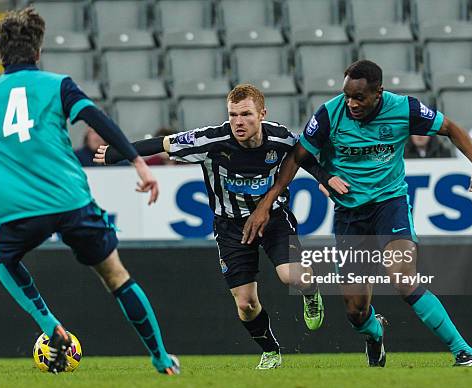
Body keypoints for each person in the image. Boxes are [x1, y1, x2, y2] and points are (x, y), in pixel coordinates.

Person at [0, 8, 179, 375]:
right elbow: (97, 120)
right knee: (115, 275)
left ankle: (49, 325)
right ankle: (161, 359)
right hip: (69, 199)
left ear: (0, 54)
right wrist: (139, 163)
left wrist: (2, 153)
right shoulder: (57, 85)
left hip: (18, 208)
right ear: (38, 51)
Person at [242, 60, 472, 367]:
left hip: (390, 205)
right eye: (347, 95)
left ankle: (463, 351)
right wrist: (271, 201)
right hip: (349, 216)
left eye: (359, 97)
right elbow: (297, 157)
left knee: (402, 278)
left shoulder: (404, 109)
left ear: (379, 93)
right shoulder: (329, 114)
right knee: (356, 311)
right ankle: (375, 336)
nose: (352, 103)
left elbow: (452, 128)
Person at [95, 84, 326, 369]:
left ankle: (311, 294)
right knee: (245, 304)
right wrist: (119, 153)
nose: (238, 122)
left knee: (294, 276)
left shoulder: (281, 138)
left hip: (273, 218)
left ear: (262, 114)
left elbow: (306, 156)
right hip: (229, 226)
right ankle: (270, 350)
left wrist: (326, 180)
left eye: (245, 114)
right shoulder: (211, 140)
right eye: (232, 115)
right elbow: (164, 144)